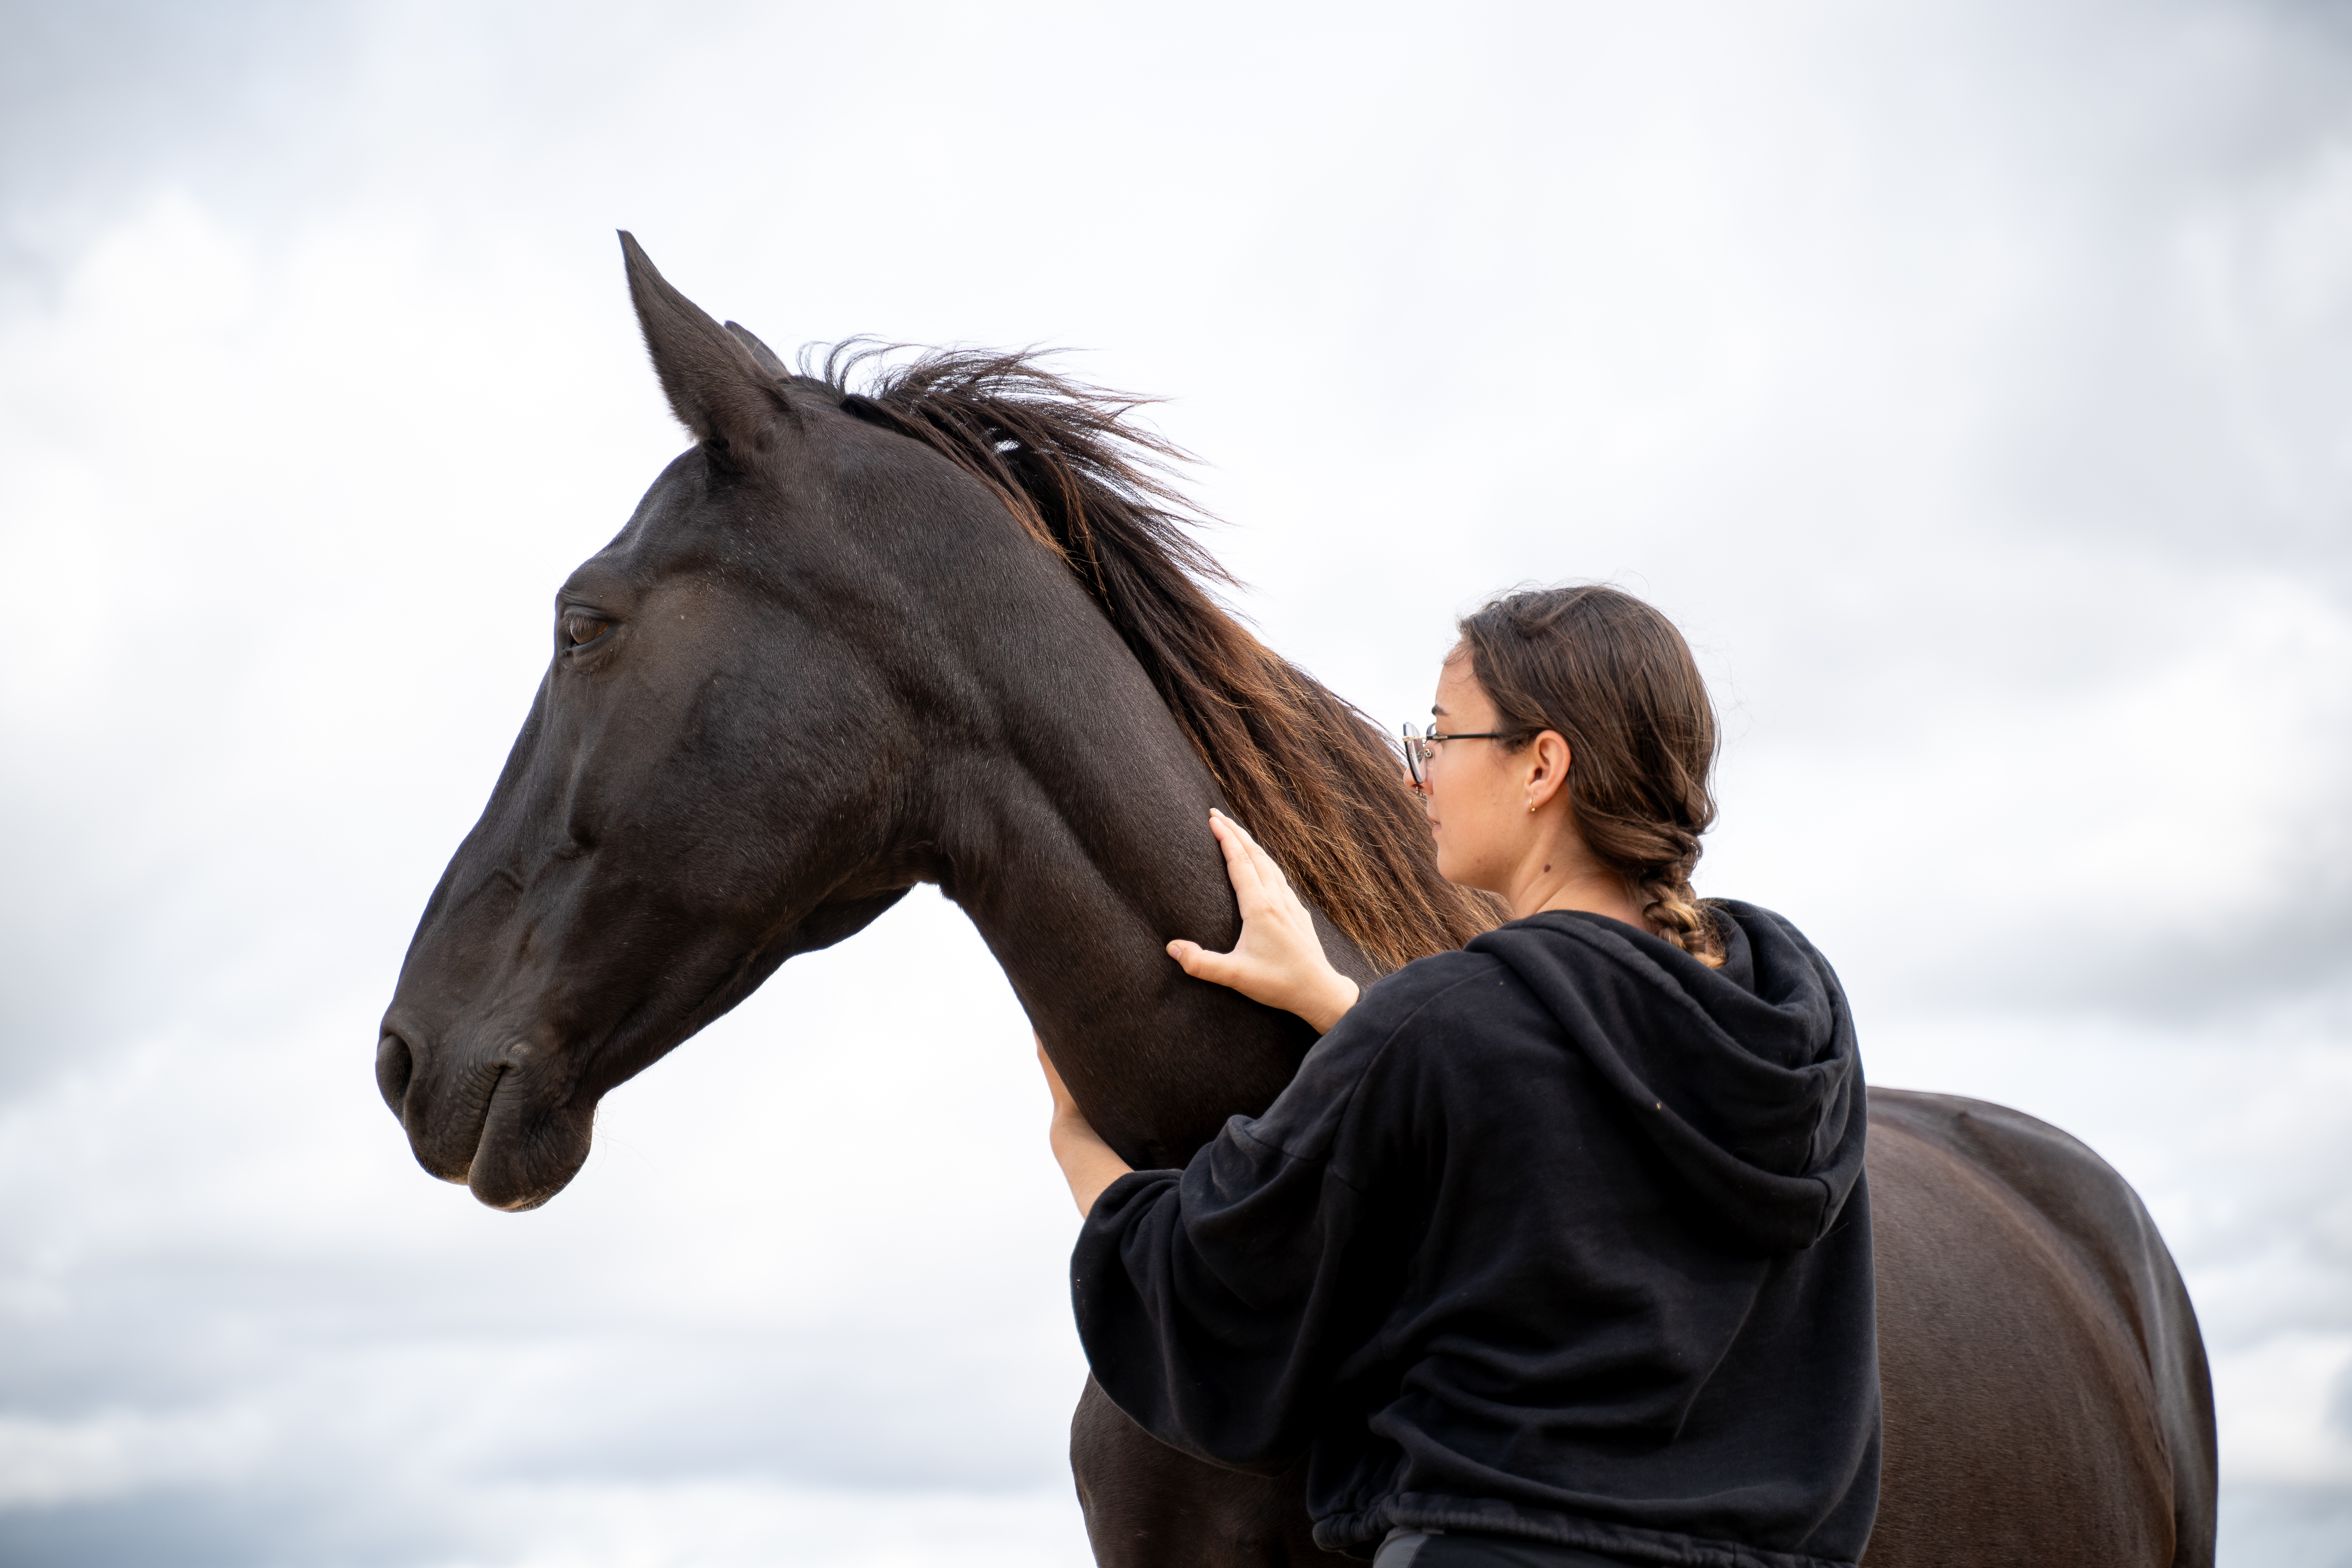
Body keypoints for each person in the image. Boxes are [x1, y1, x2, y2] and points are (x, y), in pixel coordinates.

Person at [1038, 584, 1881, 1568]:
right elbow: (1564, 1107)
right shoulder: (1795, 1020)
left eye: (1438, 737)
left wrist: (1085, 1159)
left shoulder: (1446, 1023)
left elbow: (1208, 1295)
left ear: (1542, 765)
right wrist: (1336, 1002)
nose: (1418, 776)